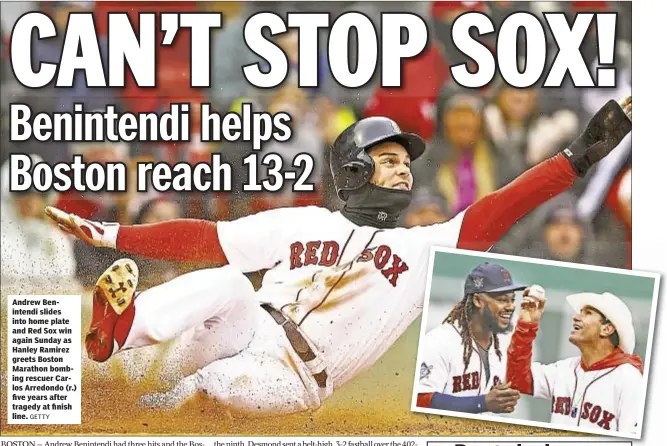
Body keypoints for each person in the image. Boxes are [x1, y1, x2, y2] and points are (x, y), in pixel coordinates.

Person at [44, 97, 632, 417]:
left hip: (292, 378)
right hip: (242, 333)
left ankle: (144, 399)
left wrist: (578, 157)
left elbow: (502, 208)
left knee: (192, 395)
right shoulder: (301, 222)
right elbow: (201, 238)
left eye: (407, 161)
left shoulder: (424, 246)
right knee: (228, 283)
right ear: (354, 169)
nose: (404, 167)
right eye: (390, 158)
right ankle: (117, 334)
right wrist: (110, 235)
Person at [506, 287, 644, 434]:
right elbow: (517, 380)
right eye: (580, 312)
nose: (576, 317)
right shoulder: (564, 369)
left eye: (588, 313)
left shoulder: (629, 378)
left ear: (606, 329)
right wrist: (526, 326)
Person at [415, 263, 531, 414]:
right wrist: (482, 403)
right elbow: (419, 399)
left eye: (512, 300)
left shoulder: (503, 343)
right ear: (477, 300)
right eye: (502, 299)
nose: (510, 306)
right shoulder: (438, 343)